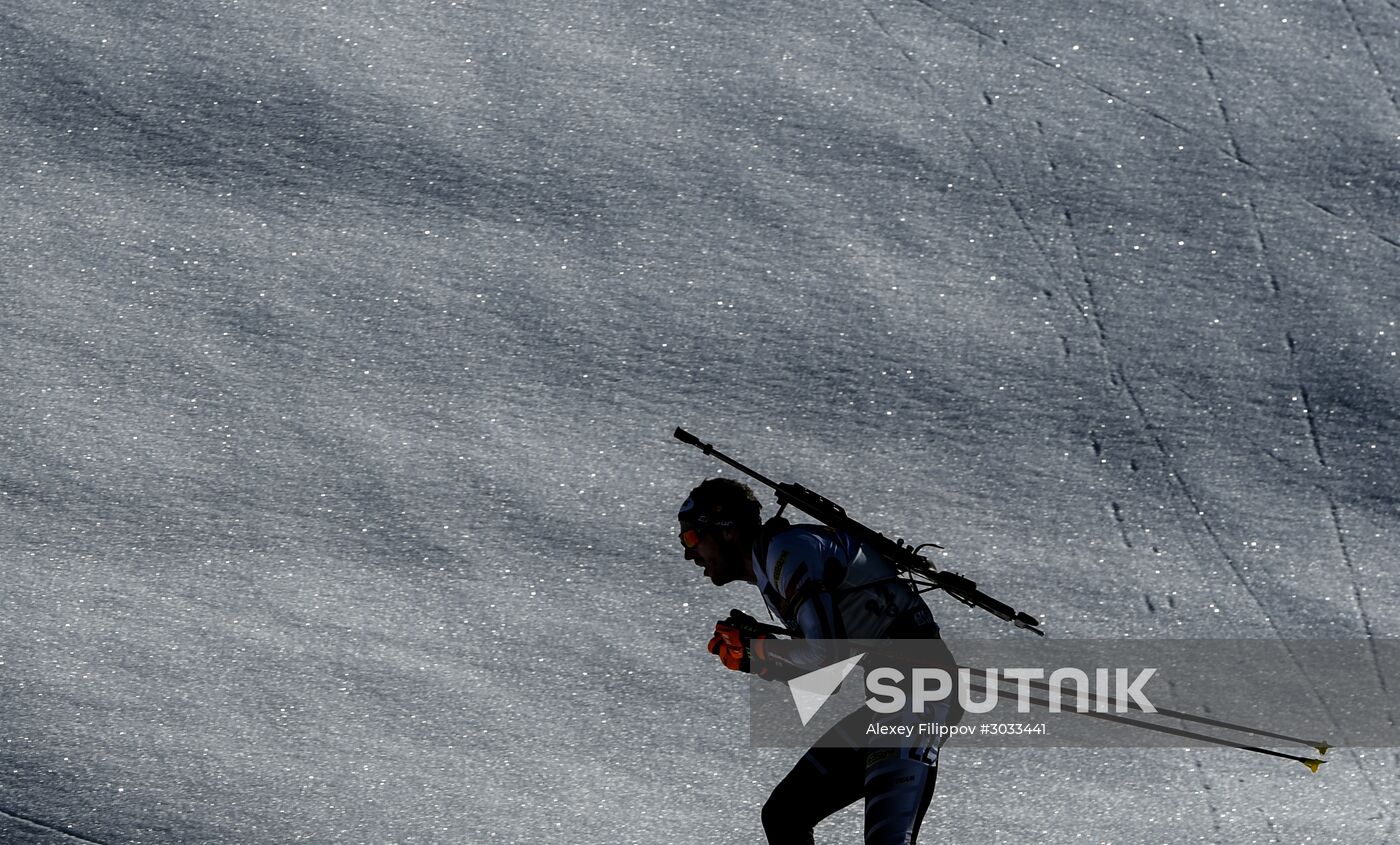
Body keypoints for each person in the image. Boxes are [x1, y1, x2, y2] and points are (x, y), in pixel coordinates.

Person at [677, 477, 952, 845]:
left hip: (918, 697)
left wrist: (756, 654)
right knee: (784, 814)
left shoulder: (788, 553)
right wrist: (755, 655)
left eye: (692, 538)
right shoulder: (776, 561)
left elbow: (828, 659)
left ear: (725, 531)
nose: (688, 553)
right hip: (900, 698)